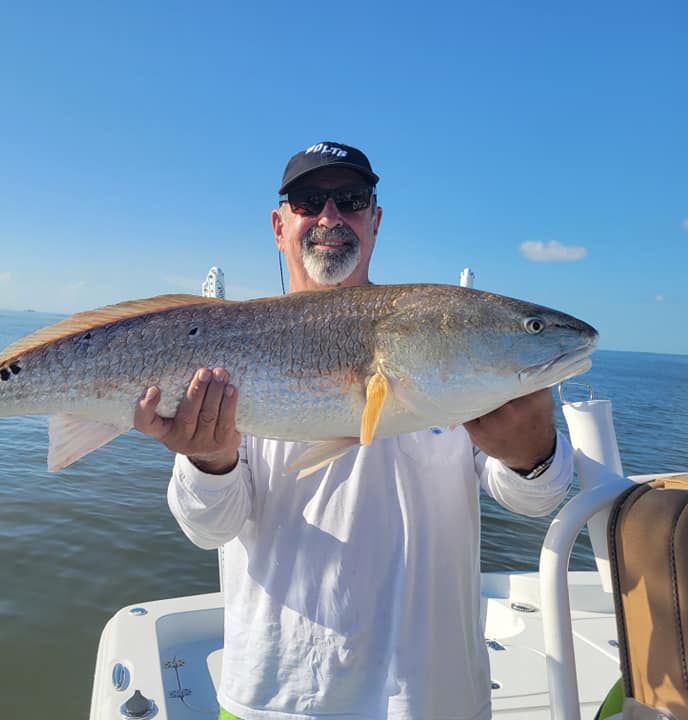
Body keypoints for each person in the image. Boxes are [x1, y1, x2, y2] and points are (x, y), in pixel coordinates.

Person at [133, 141, 572, 720]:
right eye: (307, 201)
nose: (330, 216)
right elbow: (209, 529)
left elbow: (536, 500)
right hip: (274, 697)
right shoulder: (225, 349)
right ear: (279, 225)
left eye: (351, 199)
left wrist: (532, 454)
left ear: (375, 220)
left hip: (434, 698)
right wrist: (209, 462)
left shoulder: (456, 352)